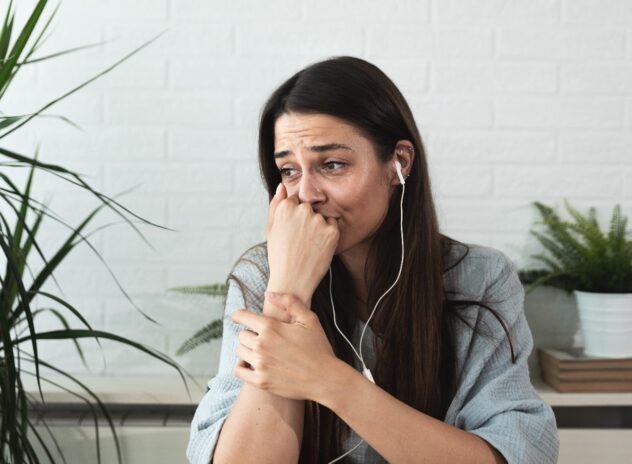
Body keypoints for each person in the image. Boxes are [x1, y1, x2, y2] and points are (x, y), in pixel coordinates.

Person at [187, 56, 559, 464]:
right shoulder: (261, 277)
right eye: (289, 171)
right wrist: (288, 290)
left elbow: (519, 455)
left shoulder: (479, 278)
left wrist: (329, 381)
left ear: (398, 163)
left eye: (332, 164)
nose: (307, 194)